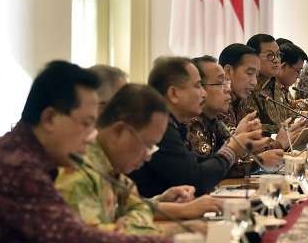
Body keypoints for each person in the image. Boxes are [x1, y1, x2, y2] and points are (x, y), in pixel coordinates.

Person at [0, 61, 172, 243]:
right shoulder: (17, 167)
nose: (92, 137)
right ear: (50, 118)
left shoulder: (27, 158)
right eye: (86, 123)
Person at [56, 83, 223, 235]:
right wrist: (176, 230)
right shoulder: (79, 172)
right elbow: (95, 240)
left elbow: (138, 207)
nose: (149, 156)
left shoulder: (110, 167)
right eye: (148, 144)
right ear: (119, 131)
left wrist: (162, 202)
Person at [129, 57, 267, 197]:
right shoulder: (160, 127)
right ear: (174, 93)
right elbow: (196, 180)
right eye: (198, 86)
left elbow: (199, 165)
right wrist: (233, 148)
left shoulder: (178, 124)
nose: (203, 93)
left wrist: (237, 145)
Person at [190, 55, 284, 174]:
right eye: (220, 83)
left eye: (226, 82)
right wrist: (258, 162)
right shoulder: (192, 122)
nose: (228, 89)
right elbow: (207, 172)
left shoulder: (214, 121)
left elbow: (237, 157)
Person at [216, 44, 308, 152]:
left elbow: (251, 141)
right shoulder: (219, 103)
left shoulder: (240, 99)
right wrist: (278, 143)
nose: (254, 82)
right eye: (249, 73)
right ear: (227, 71)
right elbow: (237, 153)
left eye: (256, 75)